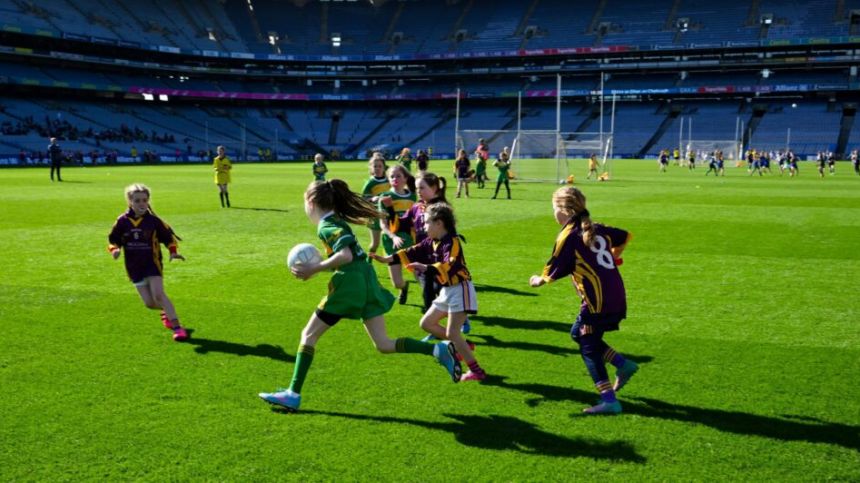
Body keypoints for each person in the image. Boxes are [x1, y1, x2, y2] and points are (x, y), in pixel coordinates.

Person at [258, 180, 462, 412]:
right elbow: (351, 255)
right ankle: (438, 349)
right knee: (383, 344)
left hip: (350, 284)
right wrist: (321, 267)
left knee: (308, 335)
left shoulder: (326, 226)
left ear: (311, 203)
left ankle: (292, 394)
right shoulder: (336, 221)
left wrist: (312, 269)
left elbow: (344, 255)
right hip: (366, 279)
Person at [529, 186, 636, 414]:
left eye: (554, 208)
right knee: (579, 333)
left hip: (598, 301)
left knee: (588, 346)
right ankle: (622, 364)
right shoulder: (596, 228)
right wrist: (615, 256)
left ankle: (609, 400)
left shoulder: (568, 236)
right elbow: (625, 236)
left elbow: (556, 265)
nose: (553, 214)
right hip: (616, 293)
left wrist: (540, 279)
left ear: (565, 209)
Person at [373, 203, 484, 381]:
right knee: (426, 323)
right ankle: (463, 346)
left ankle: (476, 371)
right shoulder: (431, 242)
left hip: (460, 289)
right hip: (448, 291)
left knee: (453, 332)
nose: (423, 227)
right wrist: (389, 258)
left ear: (439, 223)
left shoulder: (452, 241)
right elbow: (413, 250)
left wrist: (425, 267)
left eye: (426, 223)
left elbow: (450, 264)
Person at [108, 183, 188, 342]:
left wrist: (173, 252)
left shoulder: (154, 221)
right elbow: (113, 240)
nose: (141, 204)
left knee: (159, 294)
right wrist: (115, 250)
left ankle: (178, 327)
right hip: (134, 267)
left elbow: (168, 238)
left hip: (152, 264)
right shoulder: (122, 221)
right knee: (150, 304)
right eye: (137, 201)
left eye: (144, 200)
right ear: (130, 201)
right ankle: (165, 311)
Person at [378, 165, 417, 304]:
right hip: (391, 242)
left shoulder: (413, 197)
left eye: (398, 176)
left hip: (411, 242)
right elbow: (382, 224)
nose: (395, 179)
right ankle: (404, 287)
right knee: (397, 283)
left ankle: (433, 302)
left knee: (420, 275)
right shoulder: (385, 198)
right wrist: (393, 236)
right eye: (392, 176)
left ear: (405, 178)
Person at [361, 154, 390, 258]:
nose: (377, 168)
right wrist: (373, 199)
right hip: (374, 215)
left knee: (389, 240)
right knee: (375, 244)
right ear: (371, 168)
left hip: (388, 214)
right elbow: (363, 199)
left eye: (380, 166)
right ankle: (369, 261)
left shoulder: (389, 180)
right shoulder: (370, 182)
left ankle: (391, 262)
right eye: (375, 166)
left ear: (384, 167)